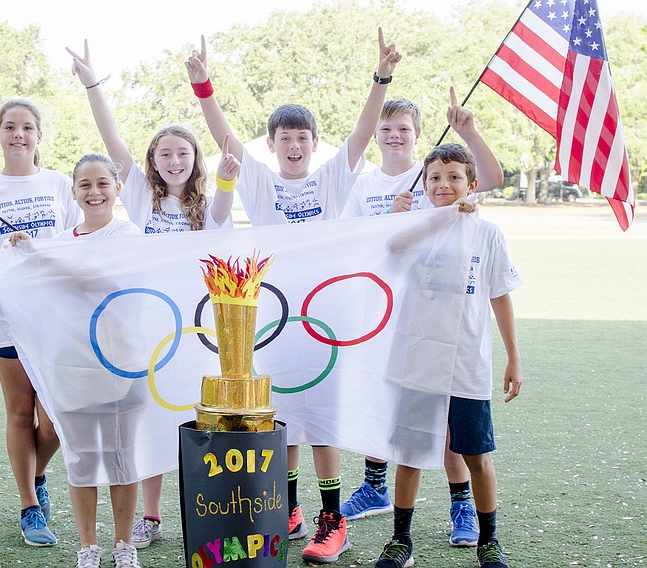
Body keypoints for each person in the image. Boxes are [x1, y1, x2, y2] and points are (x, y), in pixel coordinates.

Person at [185, 28, 400, 564]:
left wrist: (382, 77)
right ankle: (294, 507)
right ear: (274, 144)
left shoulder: (332, 179)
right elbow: (223, 138)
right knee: (283, 413)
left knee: (321, 414)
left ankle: (333, 518)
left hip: (326, 314)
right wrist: (203, 86)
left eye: (303, 137)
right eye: (285, 138)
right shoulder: (258, 181)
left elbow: (363, 128)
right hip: (274, 309)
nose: (295, 146)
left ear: (313, 143)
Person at [65, 39, 236, 550]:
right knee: (152, 418)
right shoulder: (138, 193)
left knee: (196, 416)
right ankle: (151, 516)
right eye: (165, 153)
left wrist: (227, 179)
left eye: (183, 152)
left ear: (195, 159)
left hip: (198, 326)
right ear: (153, 161)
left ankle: (205, 511)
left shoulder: (210, 204)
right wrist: (93, 82)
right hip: (145, 326)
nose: (174, 159)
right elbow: (109, 136)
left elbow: (226, 205)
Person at [339, 88, 505, 548]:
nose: (394, 136)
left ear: (417, 136)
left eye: (404, 130)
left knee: (454, 428)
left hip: (441, 322)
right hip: (386, 313)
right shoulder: (366, 184)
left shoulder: (429, 174)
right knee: (391, 414)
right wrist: (389, 224)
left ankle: (462, 506)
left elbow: (488, 177)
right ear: (375, 134)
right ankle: (375, 486)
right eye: (386, 129)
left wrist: (468, 130)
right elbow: (360, 241)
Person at [0, 154, 144, 568]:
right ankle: (88, 547)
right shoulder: (60, 243)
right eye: (85, 185)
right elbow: (45, 304)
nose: (94, 193)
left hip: (121, 365)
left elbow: (107, 286)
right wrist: (1, 302)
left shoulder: (131, 236)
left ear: (117, 189)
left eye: (103, 184)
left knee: (121, 455)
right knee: (82, 457)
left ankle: (123, 545)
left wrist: (44, 259)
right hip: (71, 368)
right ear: (72, 192)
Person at [374, 143, 522, 568]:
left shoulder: (487, 233)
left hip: (467, 363)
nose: (444, 185)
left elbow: (500, 296)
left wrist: (514, 356)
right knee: (411, 453)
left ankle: (488, 540)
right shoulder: (414, 225)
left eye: (455, 177)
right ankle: (401, 540)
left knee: (476, 454)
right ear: (423, 185)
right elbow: (388, 249)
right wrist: (408, 215)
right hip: (417, 360)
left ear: (471, 185)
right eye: (435, 178)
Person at [0, 98, 81, 548]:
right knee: (21, 413)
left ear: (39, 136)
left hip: (57, 316)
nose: (18, 135)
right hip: (7, 314)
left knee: (58, 418)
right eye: (10, 127)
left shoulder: (61, 184)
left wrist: (42, 251)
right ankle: (29, 505)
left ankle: (36, 471)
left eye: (27, 127)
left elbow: (80, 245)